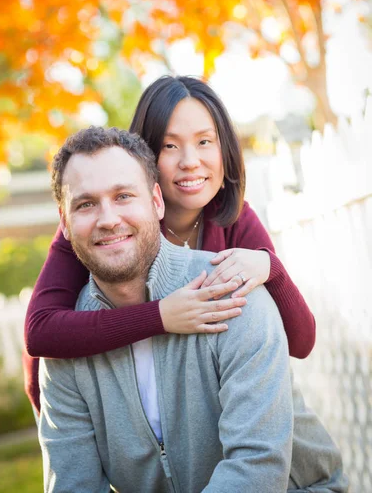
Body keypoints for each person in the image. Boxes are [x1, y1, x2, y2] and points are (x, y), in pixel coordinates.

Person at [39, 126, 347, 493]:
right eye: (86, 204)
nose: (107, 218)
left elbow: (256, 469)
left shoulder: (231, 293)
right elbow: (72, 483)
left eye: (123, 196)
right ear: (65, 223)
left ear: (156, 202)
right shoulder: (66, 348)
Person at [24, 75, 316, 414]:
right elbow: (41, 332)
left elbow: (302, 342)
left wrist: (272, 269)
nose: (190, 160)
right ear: (143, 156)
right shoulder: (107, 227)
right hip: (83, 402)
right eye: (170, 145)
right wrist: (161, 316)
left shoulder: (232, 217)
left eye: (205, 141)